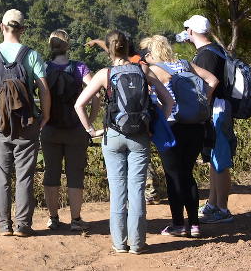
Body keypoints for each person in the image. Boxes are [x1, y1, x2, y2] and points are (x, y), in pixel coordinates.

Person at [74, 31, 174, 254]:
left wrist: (91, 130)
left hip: (113, 135)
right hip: (140, 136)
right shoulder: (142, 69)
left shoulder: (104, 74)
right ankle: (137, 244)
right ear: (128, 47)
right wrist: (156, 127)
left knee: (118, 191)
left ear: (109, 50)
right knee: (137, 190)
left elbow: (79, 105)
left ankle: (120, 243)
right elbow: (168, 100)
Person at [0, 9, 50, 237]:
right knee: (24, 176)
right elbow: (44, 91)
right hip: (27, 123)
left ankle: (4, 226)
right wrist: (44, 116)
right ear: (23, 30)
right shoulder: (32, 55)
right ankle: (23, 226)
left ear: (2, 27)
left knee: (1, 177)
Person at [143, 35, 219, 237]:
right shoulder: (185, 64)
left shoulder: (155, 70)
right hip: (195, 125)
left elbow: (154, 100)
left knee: (173, 176)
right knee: (187, 174)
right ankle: (194, 225)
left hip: (172, 127)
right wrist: (202, 102)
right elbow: (212, 79)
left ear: (152, 53)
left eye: (147, 53)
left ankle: (178, 224)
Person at [40, 30, 97, 232]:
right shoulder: (79, 67)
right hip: (75, 129)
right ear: (68, 45)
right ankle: (75, 219)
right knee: (75, 174)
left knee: (51, 173)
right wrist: (89, 120)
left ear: (50, 46)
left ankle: (53, 218)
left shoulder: (44, 67)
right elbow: (95, 93)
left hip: (50, 128)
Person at [182, 14, 236, 224]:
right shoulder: (216, 51)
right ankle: (213, 204)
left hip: (216, 112)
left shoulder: (205, 56)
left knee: (220, 161)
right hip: (219, 110)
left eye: (187, 30)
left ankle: (222, 209)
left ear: (191, 32)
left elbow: (207, 86)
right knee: (215, 159)